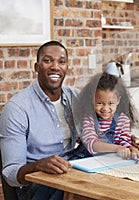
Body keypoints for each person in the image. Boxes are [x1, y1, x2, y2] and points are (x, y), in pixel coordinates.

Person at [0, 41, 77, 199]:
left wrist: (122, 138)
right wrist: (38, 165)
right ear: (36, 67)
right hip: (36, 185)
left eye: (61, 62)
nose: (55, 67)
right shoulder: (17, 108)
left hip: (73, 174)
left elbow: (97, 131)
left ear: (67, 67)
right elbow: (11, 173)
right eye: (47, 61)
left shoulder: (75, 97)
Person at [80, 72, 139, 164]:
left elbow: (124, 142)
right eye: (99, 103)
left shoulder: (123, 120)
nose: (105, 108)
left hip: (111, 162)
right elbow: (92, 144)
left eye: (111, 103)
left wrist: (133, 150)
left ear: (118, 100)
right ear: (92, 99)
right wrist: (117, 148)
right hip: (88, 161)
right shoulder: (89, 119)